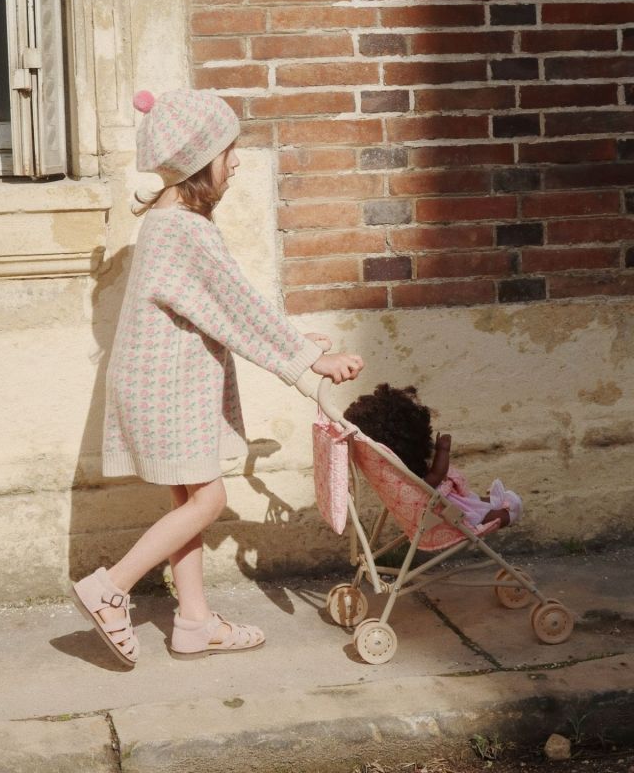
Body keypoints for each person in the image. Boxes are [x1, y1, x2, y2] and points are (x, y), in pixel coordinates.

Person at [72, 89, 364, 667]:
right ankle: (110, 589)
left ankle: (194, 622)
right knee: (209, 500)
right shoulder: (186, 231)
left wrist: (299, 343)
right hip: (167, 390)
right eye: (229, 151)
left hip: (158, 385)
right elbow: (237, 307)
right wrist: (308, 360)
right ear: (199, 158)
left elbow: (222, 307)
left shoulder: (163, 225)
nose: (236, 161)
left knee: (188, 495)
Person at [344, 383, 522, 530]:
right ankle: (505, 514)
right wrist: (442, 451)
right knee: (474, 511)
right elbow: (437, 475)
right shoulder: (415, 480)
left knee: (472, 501)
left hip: (440, 506)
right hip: (447, 511)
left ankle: (495, 504)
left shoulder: (391, 472)